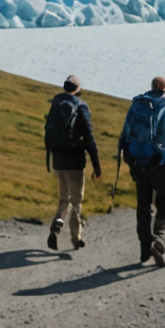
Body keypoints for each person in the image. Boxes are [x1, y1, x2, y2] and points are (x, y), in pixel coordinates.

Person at [117, 76, 165, 267]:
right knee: (164, 200)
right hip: (159, 164)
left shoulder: (135, 108)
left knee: (143, 207)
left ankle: (145, 250)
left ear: (151, 88)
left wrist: (128, 160)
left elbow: (125, 135)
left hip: (139, 165)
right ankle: (158, 237)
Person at [44, 75, 101, 252]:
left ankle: (57, 225)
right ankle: (76, 238)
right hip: (76, 160)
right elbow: (89, 138)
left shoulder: (56, 103)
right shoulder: (81, 106)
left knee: (63, 198)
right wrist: (96, 164)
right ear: (77, 88)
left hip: (58, 159)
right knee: (76, 200)